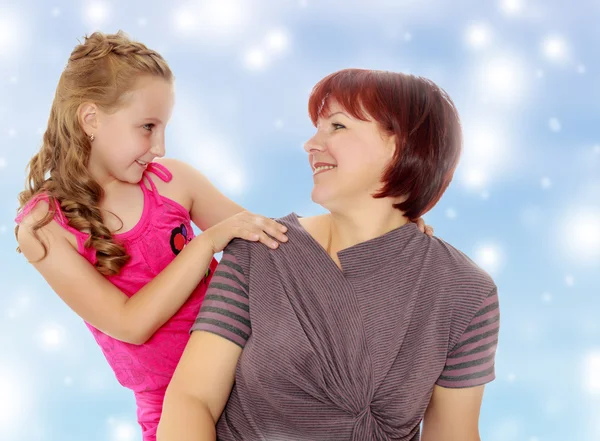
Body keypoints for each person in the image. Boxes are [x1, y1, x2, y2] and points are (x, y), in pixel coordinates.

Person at [158, 68, 500, 441]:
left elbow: (453, 434)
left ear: (401, 144)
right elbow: (191, 400)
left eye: (337, 126)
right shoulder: (259, 251)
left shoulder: (466, 292)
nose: (311, 144)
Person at [13, 31, 291, 441]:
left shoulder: (174, 181)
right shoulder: (43, 227)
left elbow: (276, 243)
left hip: (257, 383)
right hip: (170, 413)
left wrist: (384, 229)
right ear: (91, 119)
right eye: (147, 127)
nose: (159, 147)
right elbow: (131, 324)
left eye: (163, 128)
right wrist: (205, 243)